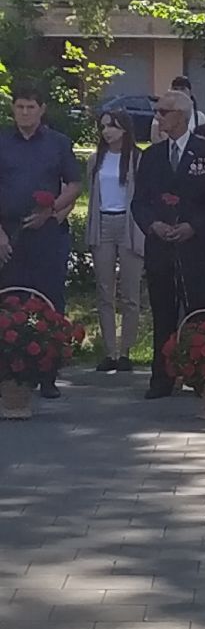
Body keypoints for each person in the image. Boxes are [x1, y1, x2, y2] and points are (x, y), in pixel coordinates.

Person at [131, 90, 205, 399]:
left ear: (181, 115)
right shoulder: (152, 155)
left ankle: (200, 375)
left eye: (163, 112)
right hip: (161, 247)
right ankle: (162, 377)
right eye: (157, 112)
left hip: (196, 247)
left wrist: (193, 226)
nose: (158, 118)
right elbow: (140, 202)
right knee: (163, 313)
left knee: (198, 313)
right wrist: (153, 225)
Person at [0, 83, 82, 398]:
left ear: (42, 109)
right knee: (9, 301)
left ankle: (48, 375)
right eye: (20, 107)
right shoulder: (3, 142)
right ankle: (10, 372)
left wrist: (51, 211)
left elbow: (74, 184)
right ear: (13, 109)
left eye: (30, 107)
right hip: (9, 234)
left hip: (46, 233)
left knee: (50, 302)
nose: (24, 113)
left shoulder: (58, 143)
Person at [86, 111, 144, 373]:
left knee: (130, 293)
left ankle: (126, 352)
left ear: (125, 130)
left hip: (129, 225)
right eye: (104, 126)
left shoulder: (137, 158)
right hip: (103, 224)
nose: (107, 131)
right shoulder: (96, 159)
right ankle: (110, 351)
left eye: (113, 126)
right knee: (104, 290)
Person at [150, 75, 205, 143]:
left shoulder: (199, 117)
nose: (179, 92)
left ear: (190, 92)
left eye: (182, 89)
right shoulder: (161, 114)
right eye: (175, 89)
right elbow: (154, 138)